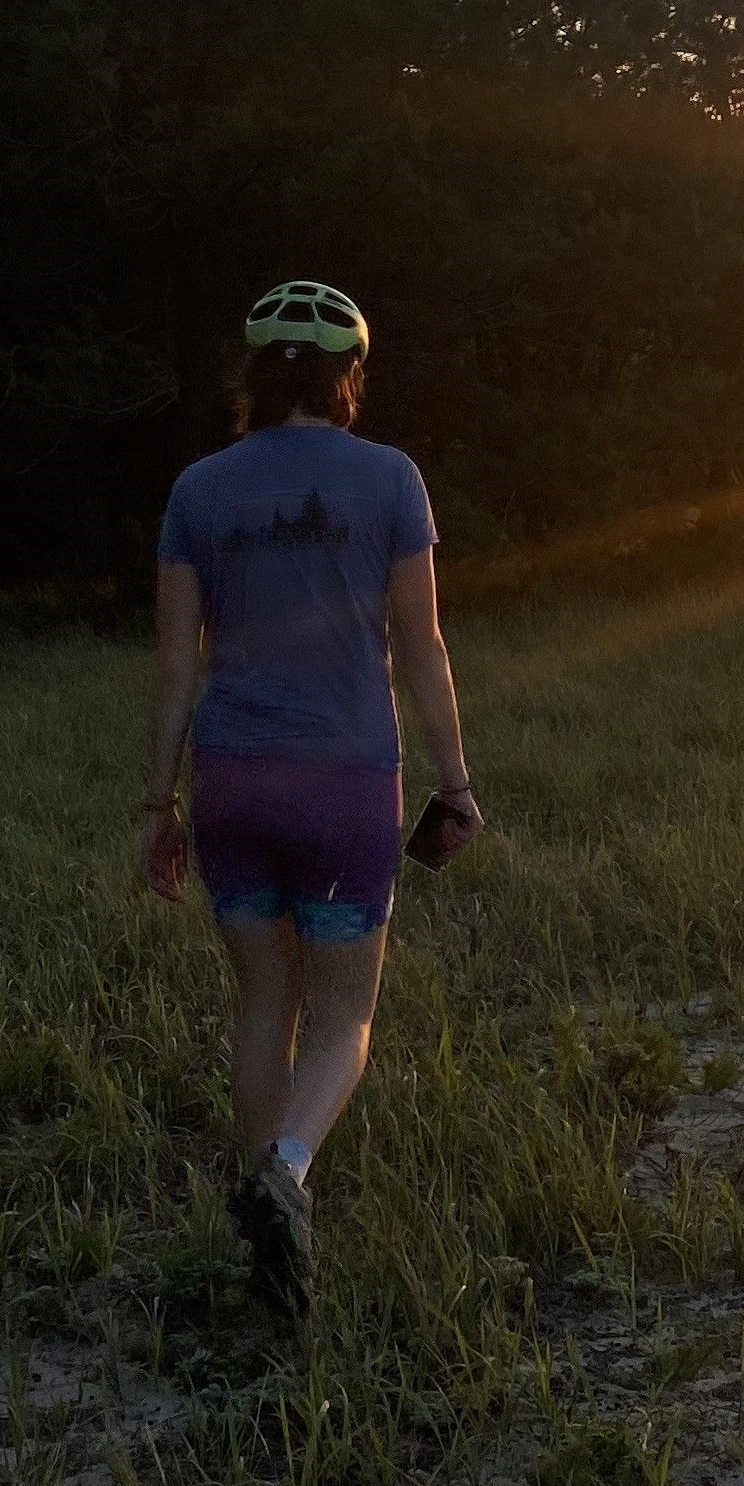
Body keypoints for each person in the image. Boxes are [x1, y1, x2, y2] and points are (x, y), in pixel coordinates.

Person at [139, 278, 481, 1319]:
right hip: (344, 781)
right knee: (346, 1018)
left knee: (260, 1003)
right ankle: (287, 1173)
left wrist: (159, 803)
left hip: (231, 778)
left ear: (255, 375)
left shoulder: (198, 487)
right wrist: (455, 779)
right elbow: (421, 643)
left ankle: (258, 1229)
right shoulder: (391, 480)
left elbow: (174, 667)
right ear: (347, 379)